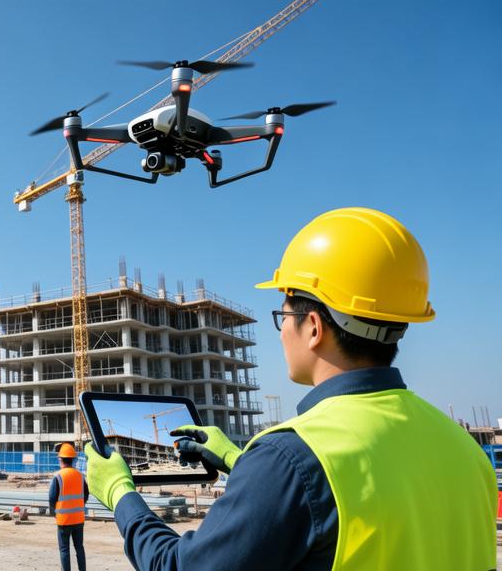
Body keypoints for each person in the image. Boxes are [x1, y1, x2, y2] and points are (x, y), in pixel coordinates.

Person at [85, 207, 497, 570]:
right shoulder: (466, 452)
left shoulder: (290, 458)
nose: (281, 333)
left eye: (281, 316)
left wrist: (120, 492)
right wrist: (237, 458)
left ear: (314, 327)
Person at [49, 443, 89, 571]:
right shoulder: (81, 476)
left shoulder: (58, 477)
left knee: (64, 550)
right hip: (78, 519)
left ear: (61, 459)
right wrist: (78, 506)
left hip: (63, 520)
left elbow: (52, 497)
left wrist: (53, 512)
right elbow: (86, 495)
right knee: (79, 548)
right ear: (73, 460)